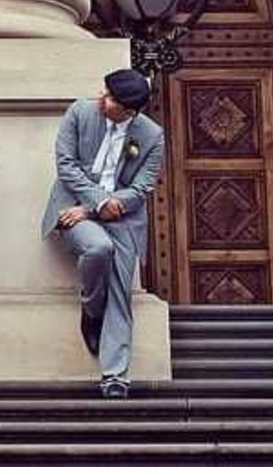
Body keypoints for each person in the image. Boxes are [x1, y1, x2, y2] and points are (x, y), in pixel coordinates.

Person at [42, 67, 168, 399]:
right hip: (74, 209)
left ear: (130, 110)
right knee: (98, 249)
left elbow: (142, 187)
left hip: (123, 218)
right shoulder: (80, 112)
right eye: (105, 91)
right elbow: (65, 165)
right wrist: (96, 204)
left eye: (110, 98)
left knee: (121, 290)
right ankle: (91, 308)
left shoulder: (152, 136)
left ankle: (115, 376)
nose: (103, 98)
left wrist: (103, 206)